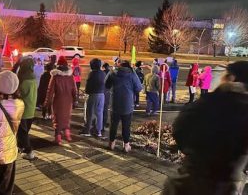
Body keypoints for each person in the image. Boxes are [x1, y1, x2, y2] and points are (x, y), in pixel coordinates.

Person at [163, 61, 248, 195]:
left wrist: (194, 152)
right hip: (228, 186)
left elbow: (180, 129)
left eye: (224, 75)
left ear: (232, 78)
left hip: (193, 180)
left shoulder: (212, 101)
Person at [105, 61, 142, 152]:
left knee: (113, 124)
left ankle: (111, 143)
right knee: (126, 126)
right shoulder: (132, 74)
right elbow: (139, 88)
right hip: (127, 104)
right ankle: (126, 145)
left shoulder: (113, 73)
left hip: (115, 103)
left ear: (119, 65)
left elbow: (106, 84)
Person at [44, 56, 77, 145]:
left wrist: (47, 104)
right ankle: (67, 135)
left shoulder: (55, 77)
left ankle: (58, 138)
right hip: (68, 101)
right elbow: (74, 89)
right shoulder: (70, 76)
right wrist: (75, 100)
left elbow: (50, 91)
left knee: (57, 119)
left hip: (58, 100)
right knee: (66, 118)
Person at [17, 57, 38, 160]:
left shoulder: (23, 79)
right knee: (25, 130)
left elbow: (19, 94)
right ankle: (21, 147)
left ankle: (29, 151)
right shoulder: (33, 77)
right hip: (31, 108)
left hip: (22, 109)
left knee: (22, 132)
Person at [80, 58, 106, 137]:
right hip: (101, 95)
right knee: (99, 113)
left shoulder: (92, 73)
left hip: (93, 95)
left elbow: (88, 86)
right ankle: (98, 131)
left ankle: (87, 130)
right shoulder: (103, 73)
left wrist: (85, 92)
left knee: (89, 113)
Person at [102, 62, 111, 132]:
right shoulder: (111, 74)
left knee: (99, 109)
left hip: (102, 92)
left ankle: (100, 123)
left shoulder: (102, 73)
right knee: (105, 108)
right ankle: (104, 123)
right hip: (108, 93)